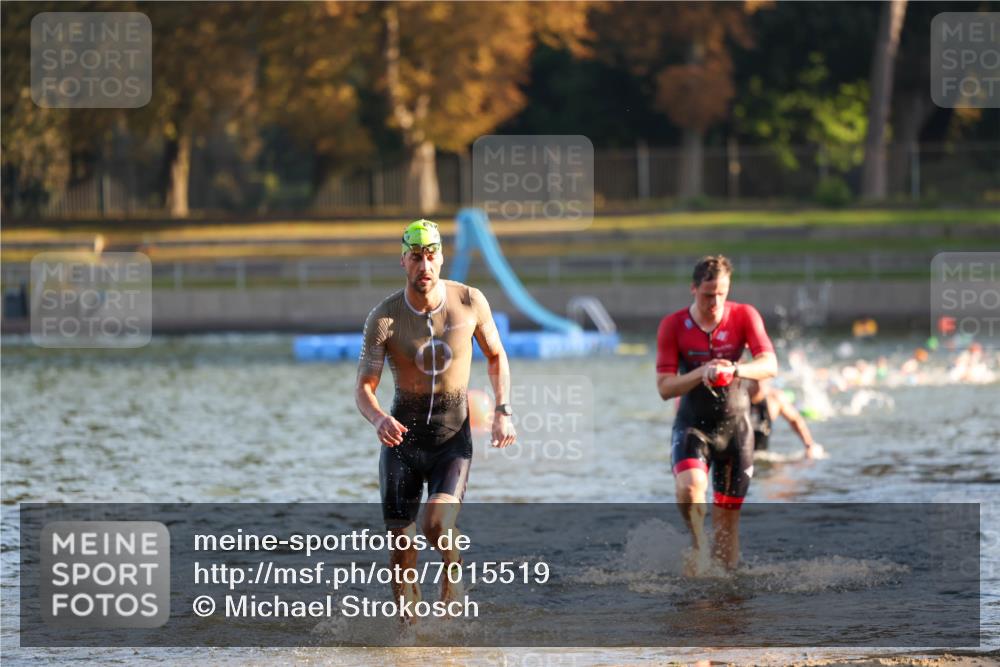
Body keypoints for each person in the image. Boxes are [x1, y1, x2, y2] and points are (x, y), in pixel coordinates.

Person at [355, 219, 517, 619]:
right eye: (415, 258)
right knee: (400, 547)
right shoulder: (385, 318)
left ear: (441, 258)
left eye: (430, 257)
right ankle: (410, 641)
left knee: (435, 526)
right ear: (403, 261)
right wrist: (377, 420)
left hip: (451, 440)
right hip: (402, 442)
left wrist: (502, 411)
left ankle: (453, 566)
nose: (424, 266)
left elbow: (496, 356)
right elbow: (364, 388)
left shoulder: (469, 302)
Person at [655, 255, 777, 572]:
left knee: (727, 529)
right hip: (693, 425)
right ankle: (697, 547)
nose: (715, 302)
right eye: (708, 295)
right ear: (693, 289)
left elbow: (770, 365)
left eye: (721, 294)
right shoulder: (673, 325)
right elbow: (665, 388)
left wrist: (735, 369)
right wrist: (702, 372)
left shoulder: (744, 316)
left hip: (736, 428)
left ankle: (726, 599)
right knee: (691, 486)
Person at [745, 378, 824, 459]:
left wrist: (809, 445)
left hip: (760, 456)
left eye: (762, 380)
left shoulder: (774, 399)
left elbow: (795, 420)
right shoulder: (738, 397)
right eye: (755, 381)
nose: (759, 385)